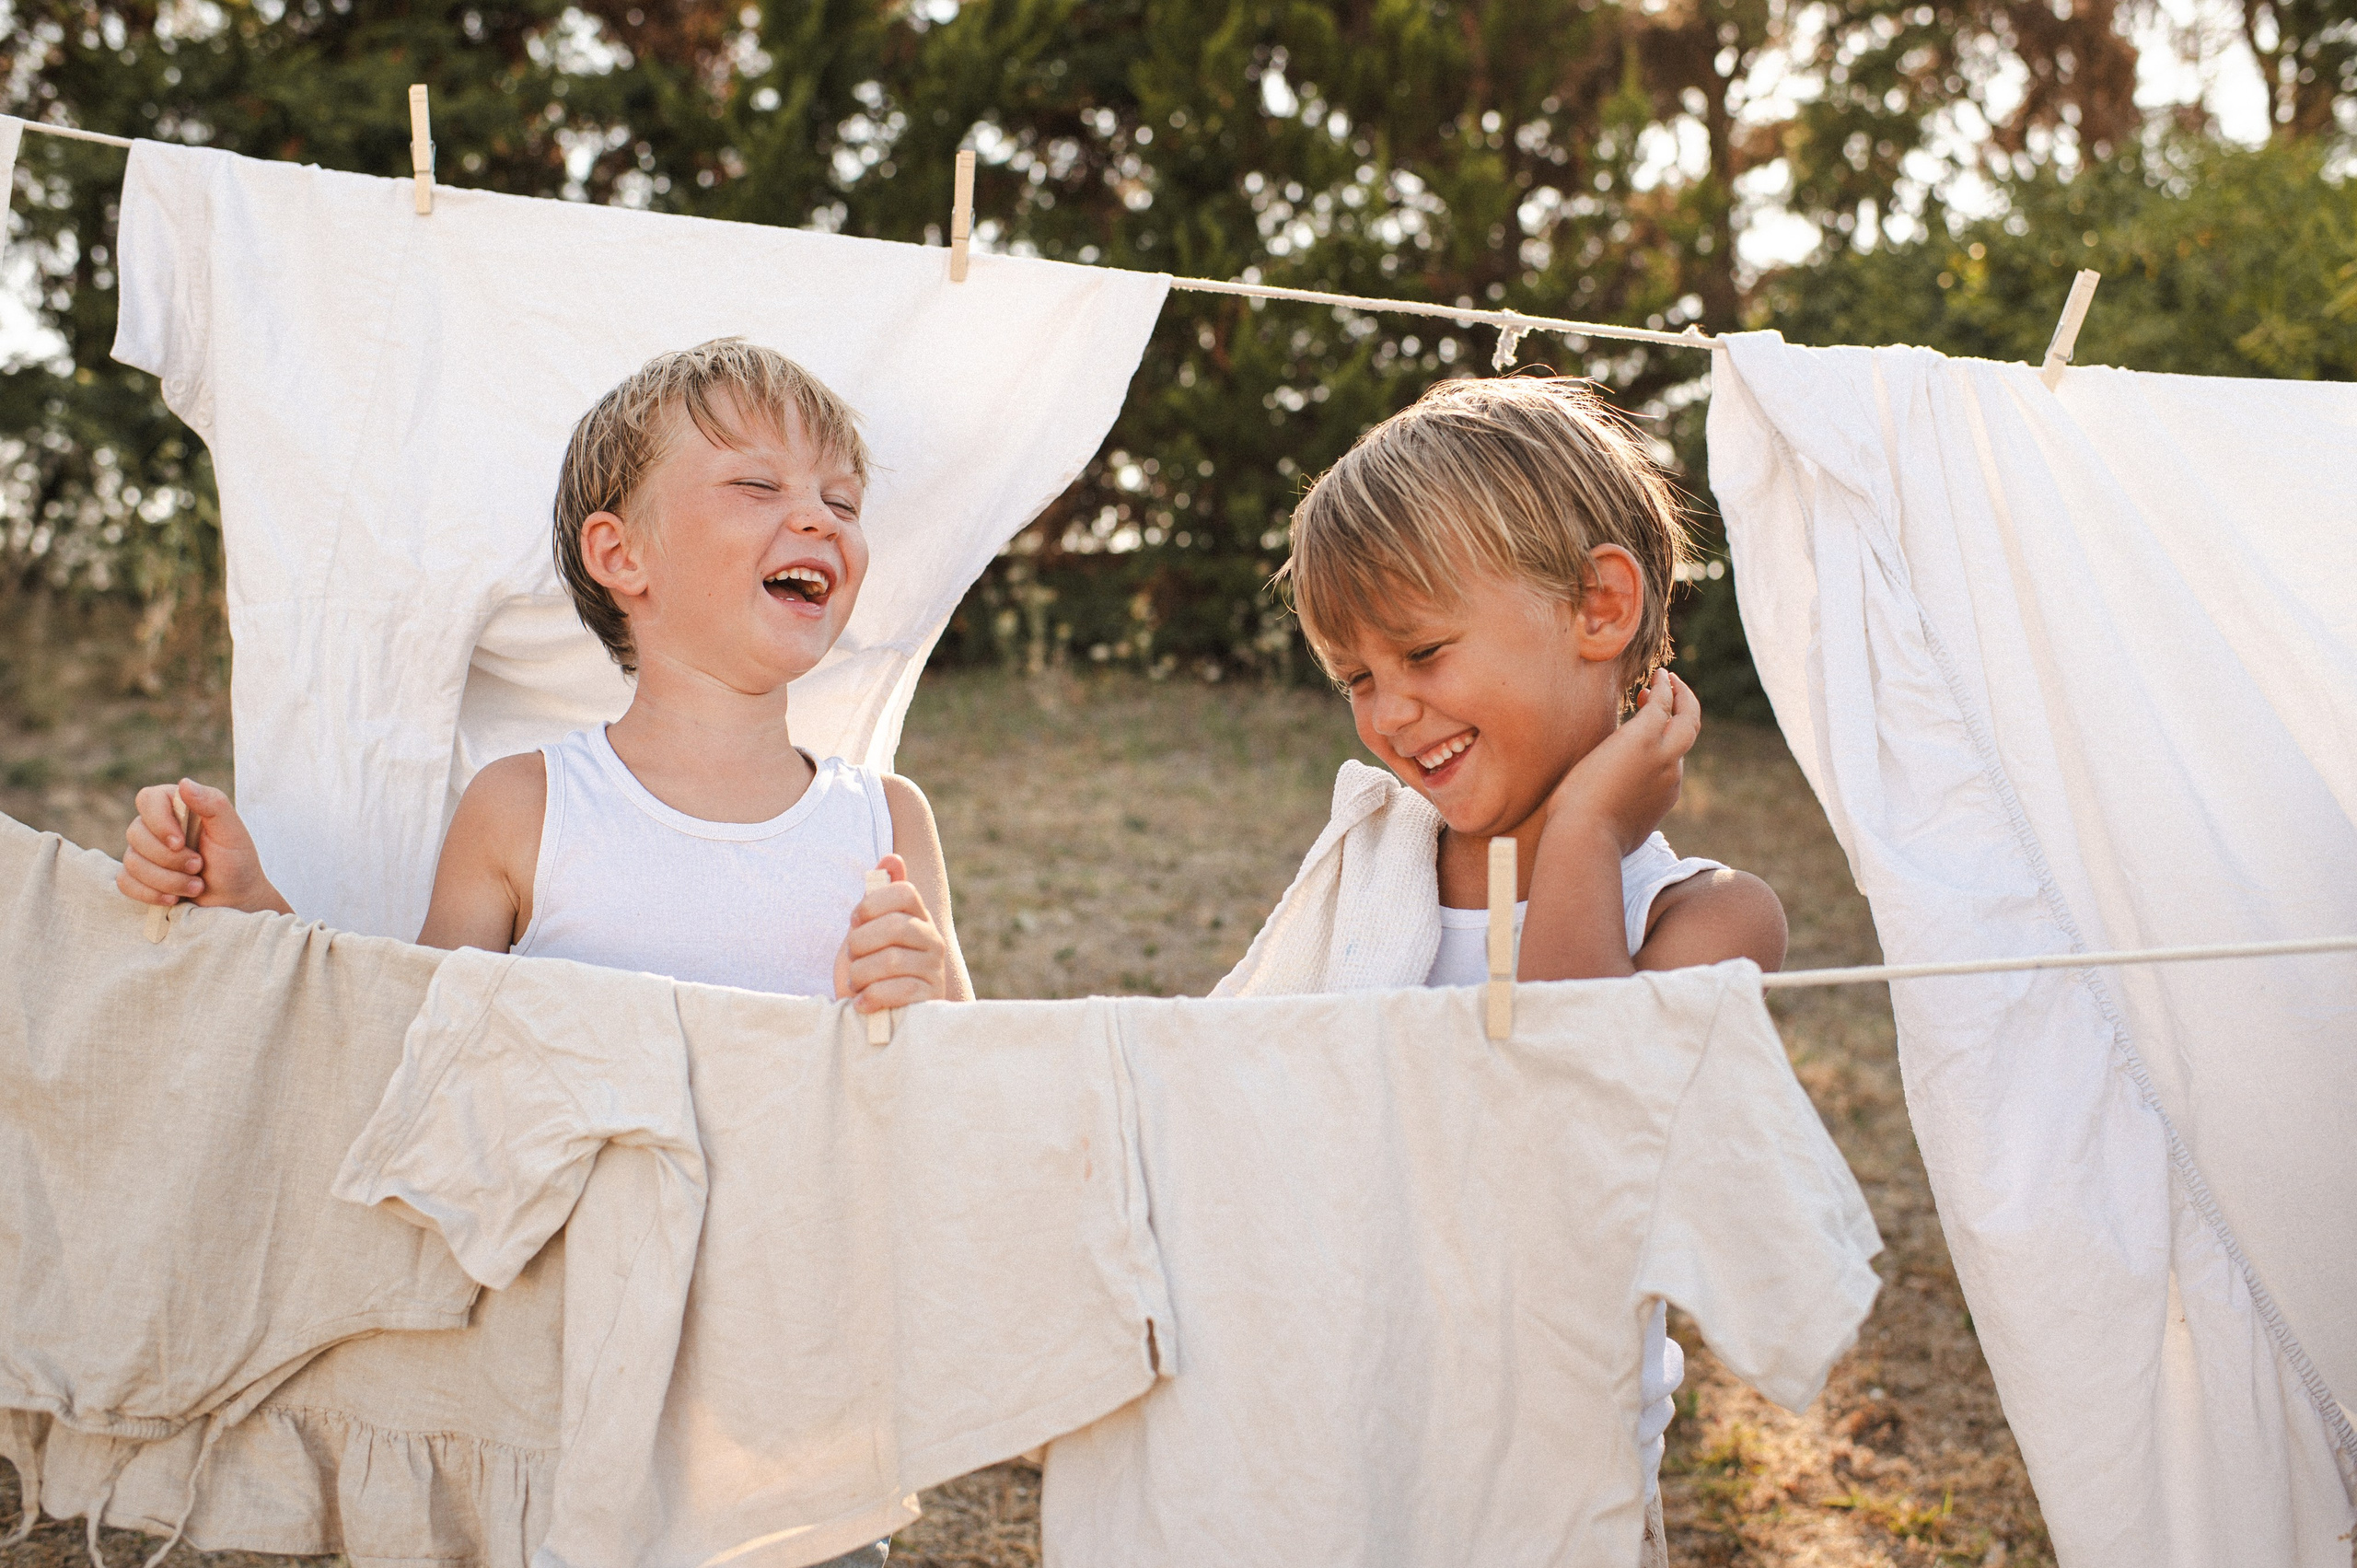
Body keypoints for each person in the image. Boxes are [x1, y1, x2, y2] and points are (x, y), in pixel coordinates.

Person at [1277, 373, 1789, 1567]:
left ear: (1600, 607)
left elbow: (1576, 1128)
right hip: (1344, 1443)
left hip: (1556, 1492)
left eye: (1421, 649)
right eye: (1356, 675)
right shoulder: (1373, 871)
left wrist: (1584, 839)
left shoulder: (1709, 919)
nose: (1391, 712)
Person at [116, 336, 969, 1024]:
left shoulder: (888, 823)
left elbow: (978, 1094)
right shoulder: (525, 808)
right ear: (620, 554)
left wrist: (929, 1003)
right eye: (756, 483)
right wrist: (245, 906)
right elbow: (403, 1044)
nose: (820, 516)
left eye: (845, 502)